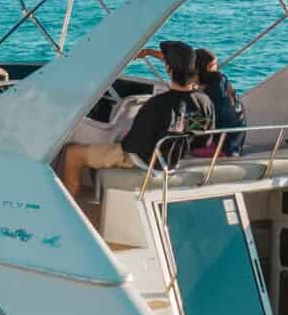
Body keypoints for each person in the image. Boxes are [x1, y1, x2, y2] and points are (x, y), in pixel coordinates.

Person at [55, 44, 215, 201]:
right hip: (172, 160)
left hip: (143, 161)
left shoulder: (157, 104)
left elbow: (131, 145)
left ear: (168, 69)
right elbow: (202, 140)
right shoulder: (203, 102)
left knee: (72, 153)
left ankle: (66, 205)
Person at [190, 48, 247, 157]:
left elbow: (195, 127)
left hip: (222, 149)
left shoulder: (205, 96)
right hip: (236, 143)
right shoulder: (223, 79)